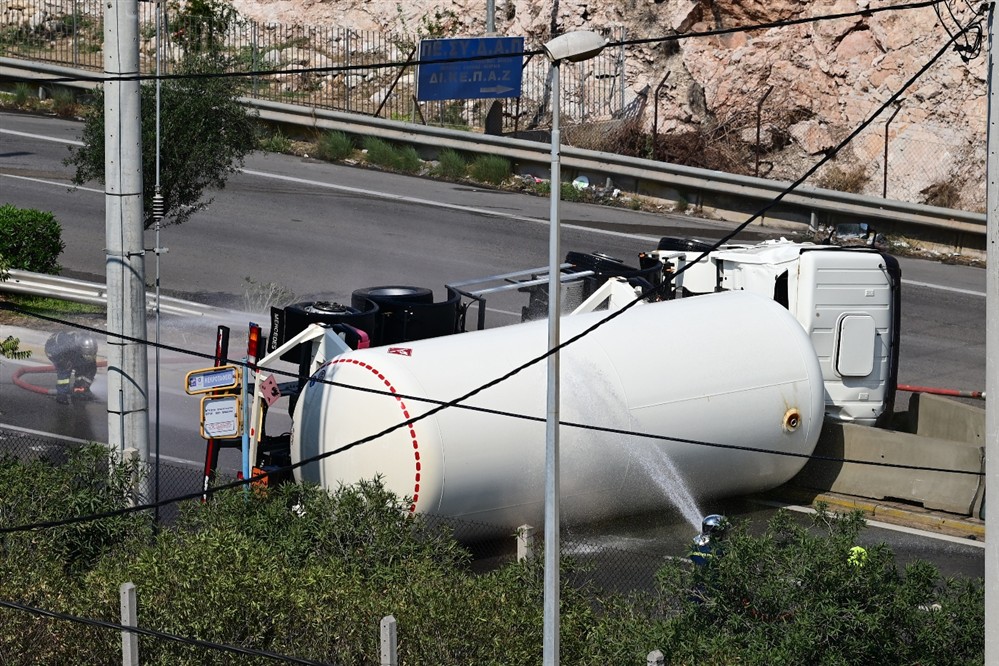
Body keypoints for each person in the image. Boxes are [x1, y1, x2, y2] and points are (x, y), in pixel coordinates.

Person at [44, 331, 98, 404]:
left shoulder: (85, 342)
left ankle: (79, 390)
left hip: (72, 352)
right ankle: (61, 394)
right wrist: (62, 394)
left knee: (88, 366)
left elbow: (91, 367)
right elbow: (64, 374)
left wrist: (84, 386)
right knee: (65, 371)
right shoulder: (67, 347)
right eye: (87, 354)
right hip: (55, 352)